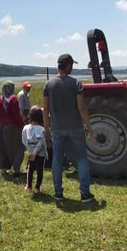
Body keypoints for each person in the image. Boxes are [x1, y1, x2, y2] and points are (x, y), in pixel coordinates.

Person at [43, 54, 95, 203]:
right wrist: (89, 126)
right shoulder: (76, 83)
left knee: (57, 160)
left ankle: (58, 193)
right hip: (75, 127)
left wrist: (47, 130)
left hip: (57, 129)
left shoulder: (48, 85)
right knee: (81, 159)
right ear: (68, 66)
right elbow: (81, 107)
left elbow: (45, 110)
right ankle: (85, 193)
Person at [0, 81, 25, 175]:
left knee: (2, 148)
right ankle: (17, 169)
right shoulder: (13, 98)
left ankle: (3, 169)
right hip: (12, 127)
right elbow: (16, 115)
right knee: (16, 148)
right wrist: (22, 125)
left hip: (1, 127)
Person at [22, 106, 47, 194]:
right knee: (40, 170)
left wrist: (31, 152)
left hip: (30, 151)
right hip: (40, 153)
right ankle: (37, 188)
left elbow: (24, 141)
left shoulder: (25, 128)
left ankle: (28, 186)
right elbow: (41, 142)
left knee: (30, 168)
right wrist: (35, 152)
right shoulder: (41, 129)